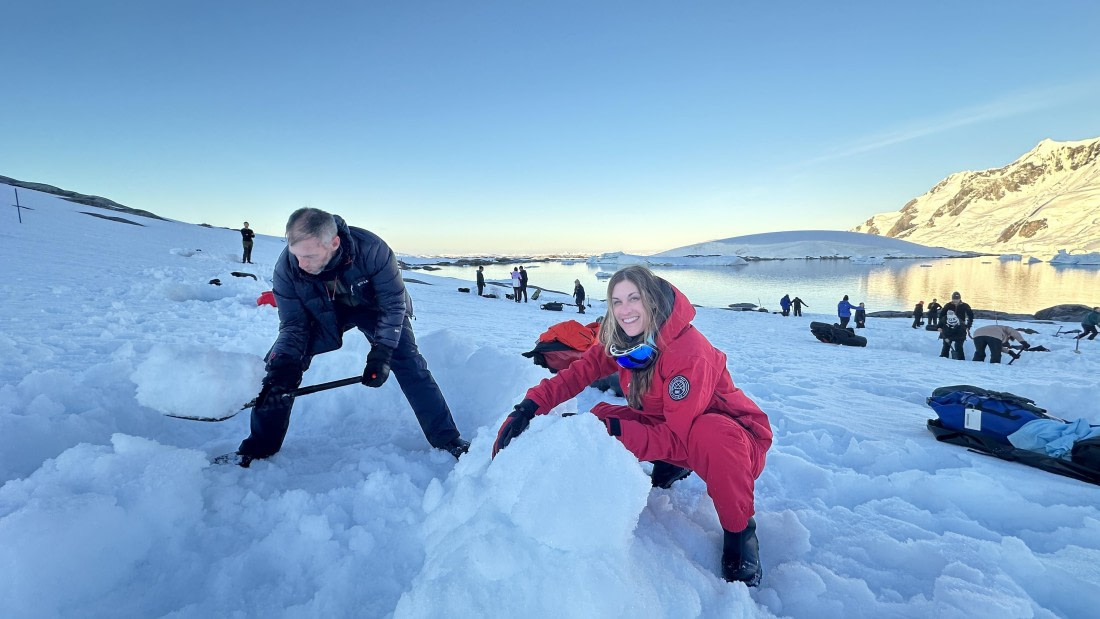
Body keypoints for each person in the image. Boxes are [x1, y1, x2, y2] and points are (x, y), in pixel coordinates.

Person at [491, 266, 771, 585]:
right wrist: (530, 406)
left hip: (735, 442)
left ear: (651, 301)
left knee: (707, 436)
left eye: (633, 298)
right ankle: (673, 466)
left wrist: (616, 433)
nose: (625, 309)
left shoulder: (688, 354)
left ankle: (740, 533)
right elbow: (581, 371)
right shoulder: (625, 337)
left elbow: (681, 436)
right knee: (597, 421)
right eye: (617, 301)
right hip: (672, 423)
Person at [216, 208, 470, 467]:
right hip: (323, 312)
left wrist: (382, 352)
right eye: (297, 255)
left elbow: (393, 305)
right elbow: (293, 325)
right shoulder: (287, 269)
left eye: (310, 256)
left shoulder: (372, 250)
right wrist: (284, 365)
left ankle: (447, 439)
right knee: (279, 369)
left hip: (375, 309)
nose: (302, 264)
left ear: (334, 243)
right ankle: (259, 449)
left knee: (408, 362)